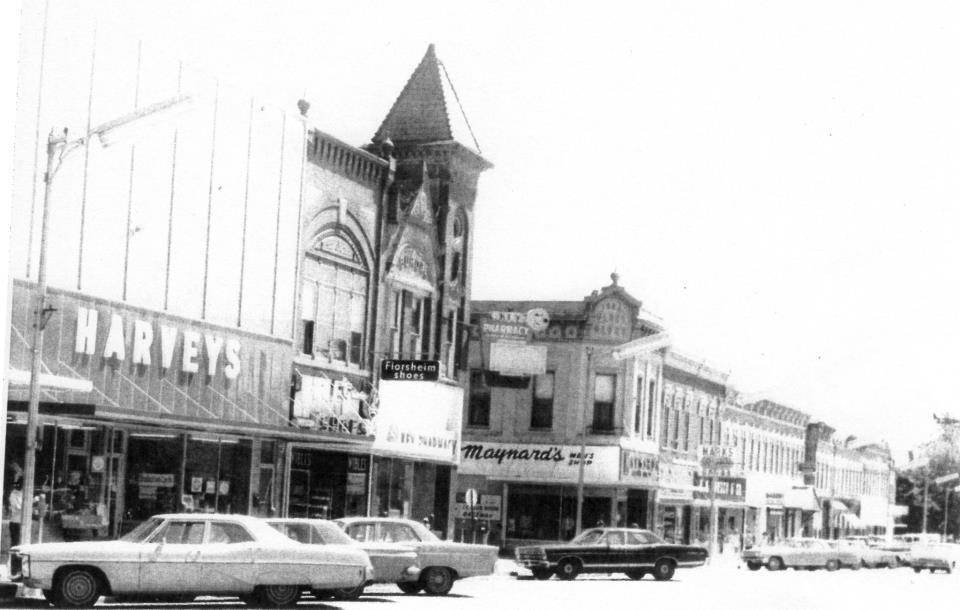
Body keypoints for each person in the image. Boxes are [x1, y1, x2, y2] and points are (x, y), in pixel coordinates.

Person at [8, 480, 23, 547]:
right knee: (15, 543)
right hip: (15, 522)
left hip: (17, 521)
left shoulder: (18, 494)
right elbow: (18, 507)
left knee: (17, 543)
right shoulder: (14, 494)